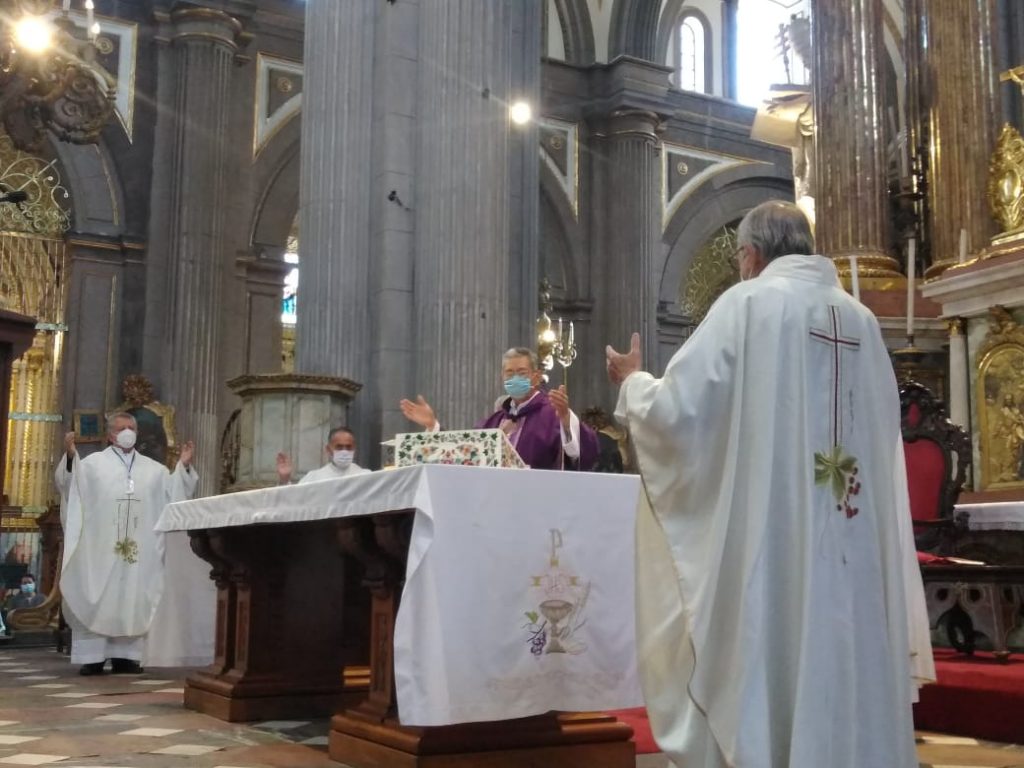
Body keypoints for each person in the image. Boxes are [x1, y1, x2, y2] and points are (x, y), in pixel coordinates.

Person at [606, 201, 934, 768]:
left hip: (776, 530)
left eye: (739, 257)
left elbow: (680, 411)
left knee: (775, 623)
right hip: (854, 531)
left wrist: (634, 382)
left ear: (751, 255)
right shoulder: (861, 320)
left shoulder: (747, 304)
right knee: (846, 632)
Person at [54, 412, 198, 675]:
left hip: (138, 548)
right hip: (101, 548)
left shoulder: (154, 471)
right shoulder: (93, 465)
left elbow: (175, 496)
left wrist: (184, 468)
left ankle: (127, 657)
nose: (128, 431)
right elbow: (70, 486)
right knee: (98, 593)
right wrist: (72, 457)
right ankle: (93, 657)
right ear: (110, 434)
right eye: (122, 428)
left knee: (134, 595)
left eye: (131, 427)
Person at [400, 347, 599, 470]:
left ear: (536, 377)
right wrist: (433, 425)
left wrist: (565, 419)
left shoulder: (552, 414)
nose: (514, 379)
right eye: (509, 373)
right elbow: (464, 453)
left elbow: (585, 454)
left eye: (521, 373)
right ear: (501, 377)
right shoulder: (494, 421)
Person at [276, 426, 371, 484]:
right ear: (328, 450)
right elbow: (296, 501)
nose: (344, 451)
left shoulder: (366, 476)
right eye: (339, 447)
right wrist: (285, 480)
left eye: (348, 447)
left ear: (354, 449)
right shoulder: (314, 478)